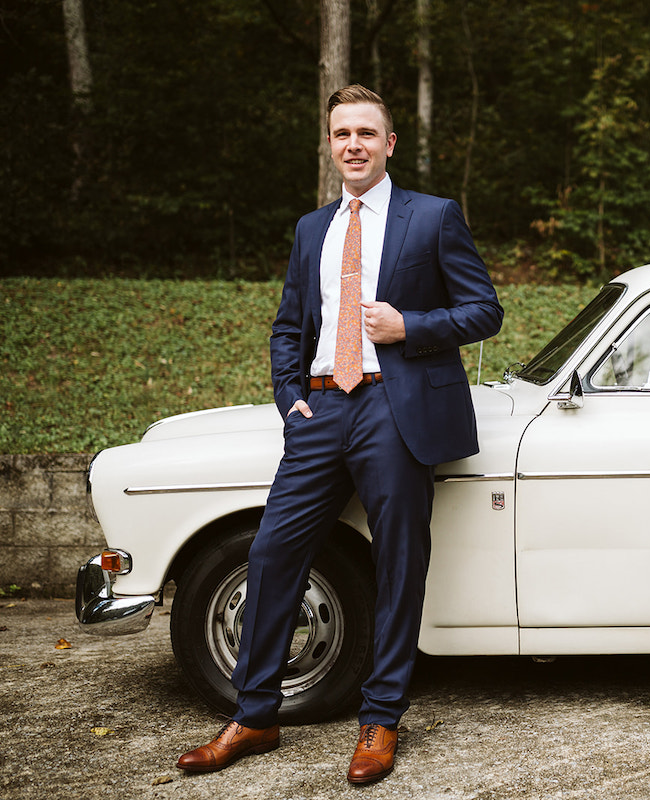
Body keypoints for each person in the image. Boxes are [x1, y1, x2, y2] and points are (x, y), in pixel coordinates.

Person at [176, 85, 503, 785]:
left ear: (389, 144)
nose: (352, 143)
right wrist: (290, 396)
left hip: (396, 405)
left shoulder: (434, 217)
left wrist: (409, 326)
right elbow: (290, 325)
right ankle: (256, 714)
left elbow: (483, 310)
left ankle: (380, 719)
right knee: (270, 553)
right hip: (322, 411)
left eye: (365, 132)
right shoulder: (311, 229)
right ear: (330, 146)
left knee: (398, 561)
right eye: (340, 134)